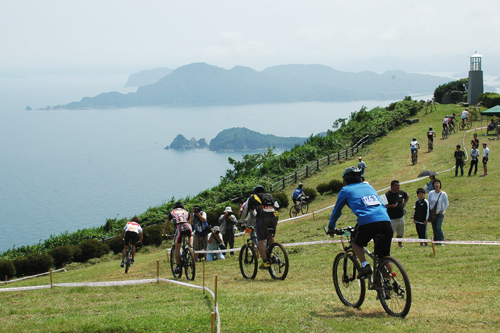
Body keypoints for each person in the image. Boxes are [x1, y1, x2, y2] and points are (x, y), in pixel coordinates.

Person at [328, 167, 392, 278]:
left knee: (355, 242)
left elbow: (337, 210)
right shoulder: (369, 187)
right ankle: (388, 285)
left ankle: (364, 265)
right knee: (384, 256)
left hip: (367, 222)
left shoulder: (345, 190)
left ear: (345, 180)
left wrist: (331, 227)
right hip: (385, 221)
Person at [247, 185, 279, 269]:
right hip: (273, 217)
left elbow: (247, 210)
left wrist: (241, 221)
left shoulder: (253, 197)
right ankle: (271, 254)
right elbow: (276, 206)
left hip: (262, 218)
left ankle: (265, 262)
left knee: (260, 241)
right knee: (270, 236)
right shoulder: (269, 196)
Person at [163, 201, 192, 274]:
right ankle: (190, 248)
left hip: (179, 228)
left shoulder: (172, 213)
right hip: (188, 226)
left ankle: (178, 266)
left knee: (177, 248)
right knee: (190, 235)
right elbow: (189, 222)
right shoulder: (186, 212)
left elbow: (166, 226)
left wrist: (164, 234)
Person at [385, 180, 409, 248]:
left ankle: (400, 244)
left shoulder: (401, 192)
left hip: (401, 216)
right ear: (392, 186)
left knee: (400, 232)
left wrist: (405, 203)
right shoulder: (387, 195)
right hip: (392, 218)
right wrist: (391, 206)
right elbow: (383, 205)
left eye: (398, 185)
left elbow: (407, 195)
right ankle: (388, 245)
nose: (398, 187)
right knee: (390, 233)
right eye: (396, 185)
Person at [428, 179, 449, 246]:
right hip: (433, 213)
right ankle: (436, 241)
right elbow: (429, 202)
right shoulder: (431, 193)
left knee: (438, 227)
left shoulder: (443, 194)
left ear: (440, 185)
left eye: (437, 183)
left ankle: (442, 240)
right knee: (434, 228)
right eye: (435, 184)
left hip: (440, 213)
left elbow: (446, 203)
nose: (436, 185)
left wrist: (442, 210)